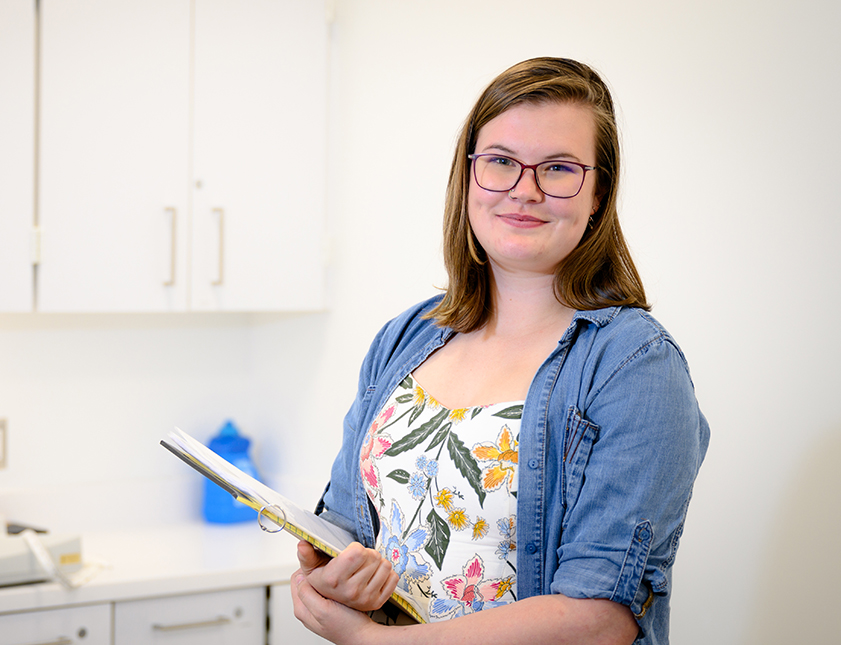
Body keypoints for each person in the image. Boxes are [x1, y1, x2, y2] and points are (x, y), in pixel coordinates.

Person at [292, 57, 710, 645]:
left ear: (598, 193)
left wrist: (373, 641)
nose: (524, 190)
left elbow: (599, 620)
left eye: (558, 168)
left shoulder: (635, 365)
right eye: (501, 162)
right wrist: (327, 577)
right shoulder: (405, 337)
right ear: (468, 175)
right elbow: (343, 528)